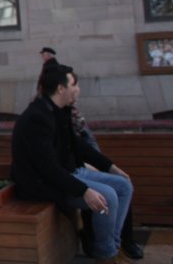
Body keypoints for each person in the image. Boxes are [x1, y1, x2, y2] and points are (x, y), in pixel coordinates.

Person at [11, 64, 134, 264]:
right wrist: (84, 190)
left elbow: (77, 145)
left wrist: (110, 166)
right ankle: (106, 256)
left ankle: (112, 246)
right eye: (74, 84)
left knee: (123, 185)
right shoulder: (37, 117)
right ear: (61, 89)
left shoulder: (61, 110)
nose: (77, 89)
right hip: (44, 184)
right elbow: (47, 167)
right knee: (108, 197)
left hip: (69, 172)